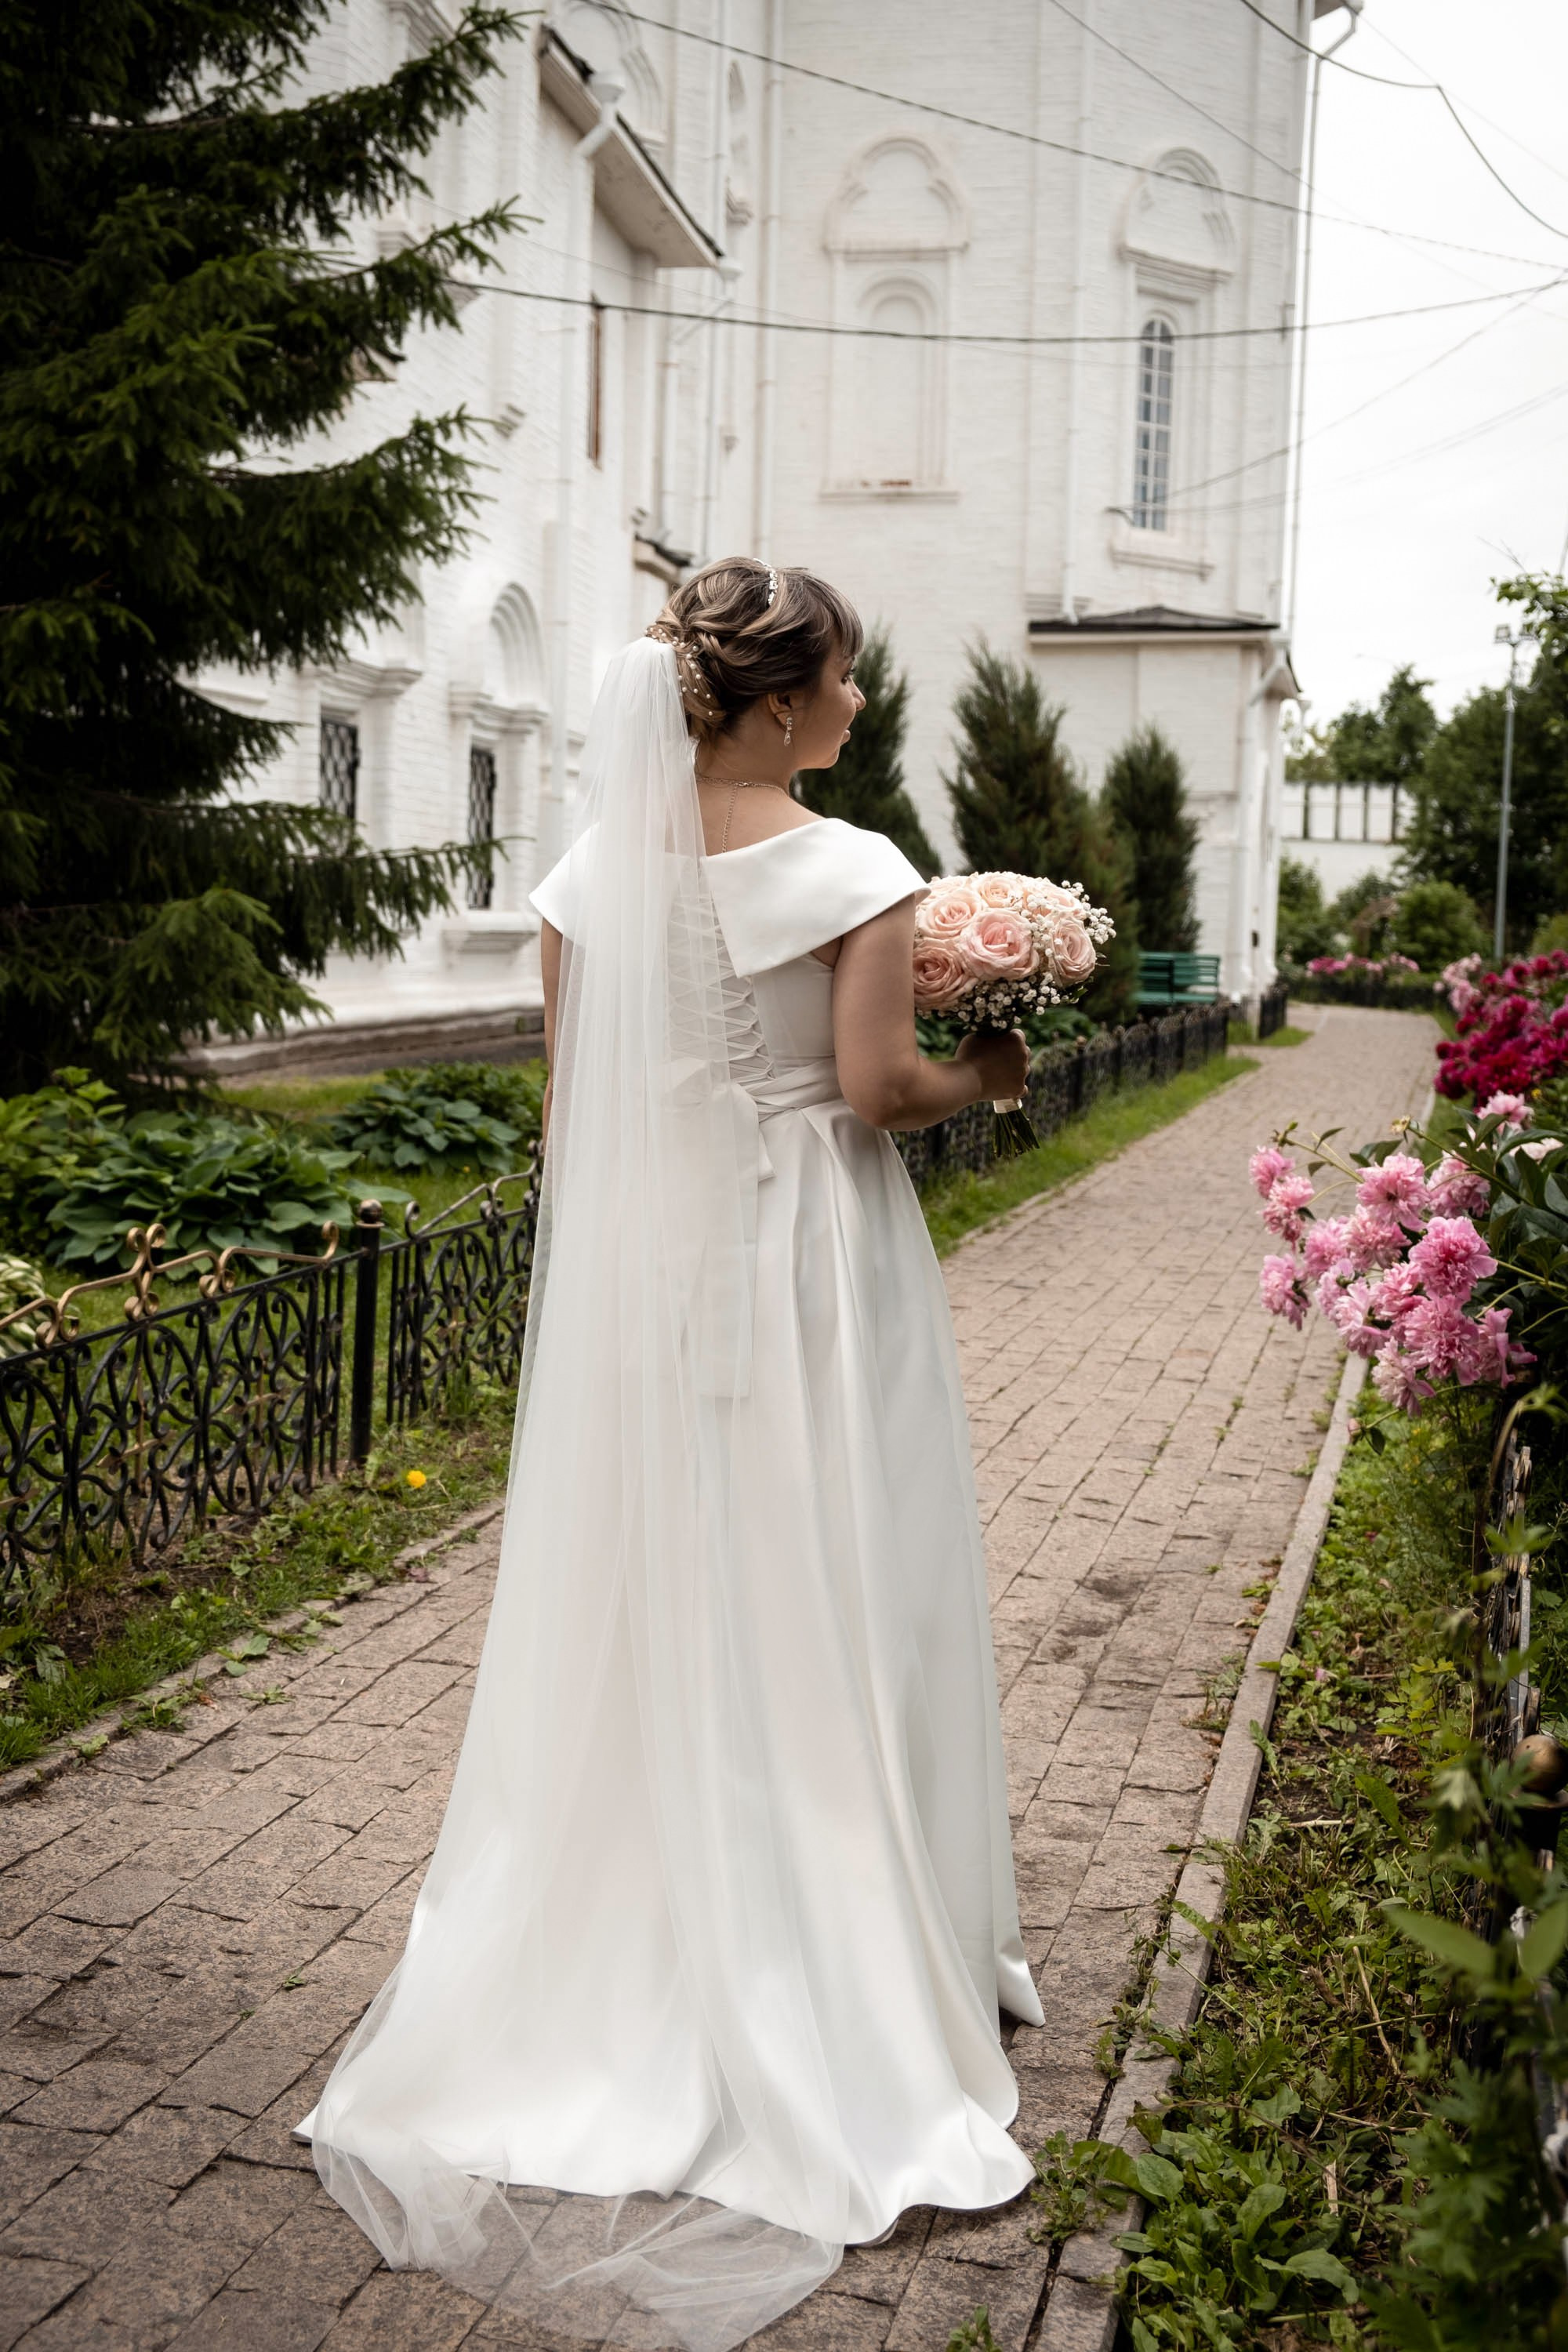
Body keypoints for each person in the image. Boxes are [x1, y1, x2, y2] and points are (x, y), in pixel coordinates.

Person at [302, 559, 1044, 2351]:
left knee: (668, 1578)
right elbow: (872, 1093)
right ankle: (843, 1958)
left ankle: (627, 1936)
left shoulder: (583, 877)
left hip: (653, 1262)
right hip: (808, 1260)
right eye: (851, 681)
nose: (861, 708)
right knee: (821, 1566)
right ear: (782, 705)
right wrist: (995, 1074)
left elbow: (579, 1105)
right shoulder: (853, 871)